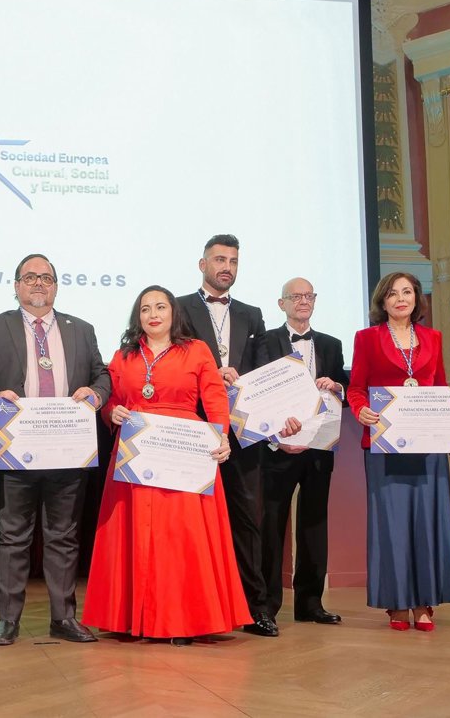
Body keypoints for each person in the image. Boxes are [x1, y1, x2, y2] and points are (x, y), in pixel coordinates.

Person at [83, 286, 251, 645]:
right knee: (133, 535)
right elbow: (110, 399)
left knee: (180, 538)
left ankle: (183, 621)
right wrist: (112, 412)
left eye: (160, 307)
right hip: (135, 456)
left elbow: (215, 397)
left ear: (173, 313)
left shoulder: (197, 350)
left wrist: (222, 436)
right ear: (138, 317)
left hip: (184, 454)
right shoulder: (123, 355)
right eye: (145, 309)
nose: (153, 314)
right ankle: (130, 619)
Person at [0, 254, 111, 646]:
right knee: (12, 536)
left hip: (67, 450)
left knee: (63, 537)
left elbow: (102, 375)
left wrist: (96, 394)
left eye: (46, 278)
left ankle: (64, 618)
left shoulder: (81, 329)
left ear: (55, 286)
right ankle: (7, 619)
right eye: (30, 277)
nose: (38, 283)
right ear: (16, 285)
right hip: (14, 449)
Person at [347, 272, 450, 632]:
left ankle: (424, 601)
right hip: (385, 446)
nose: (400, 298)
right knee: (392, 524)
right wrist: (360, 410)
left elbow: (440, 387)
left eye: (407, 292)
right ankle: (397, 602)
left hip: (427, 446)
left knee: (426, 521)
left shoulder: (433, 337)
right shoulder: (367, 338)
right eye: (392, 293)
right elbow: (356, 388)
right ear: (382, 301)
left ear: (416, 298)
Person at [177, 234, 277, 636]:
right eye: (219, 260)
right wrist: (208, 374)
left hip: (242, 432)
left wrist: (244, 381)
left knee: (248, 520)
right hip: (193, 428)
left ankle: (256, 609)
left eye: (233, 261)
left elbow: (264, 370)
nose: (227, 267)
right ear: (202, 264)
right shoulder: (178, 308)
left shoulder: (253, 314)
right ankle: (190, 609)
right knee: (191, 521)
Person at [254, 278, 348, 627]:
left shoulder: (332, 344)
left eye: (308, 296)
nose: (303, 301)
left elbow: (343, 391)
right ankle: (265, 606)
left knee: (314, 525)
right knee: (271, 528)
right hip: (278, 448)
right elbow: (258, 393)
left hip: (319, 448)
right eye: (295, 296)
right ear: (282, 304)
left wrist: (337, 386)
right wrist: (275, 437)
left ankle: (311, 604)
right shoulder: (265, 341)